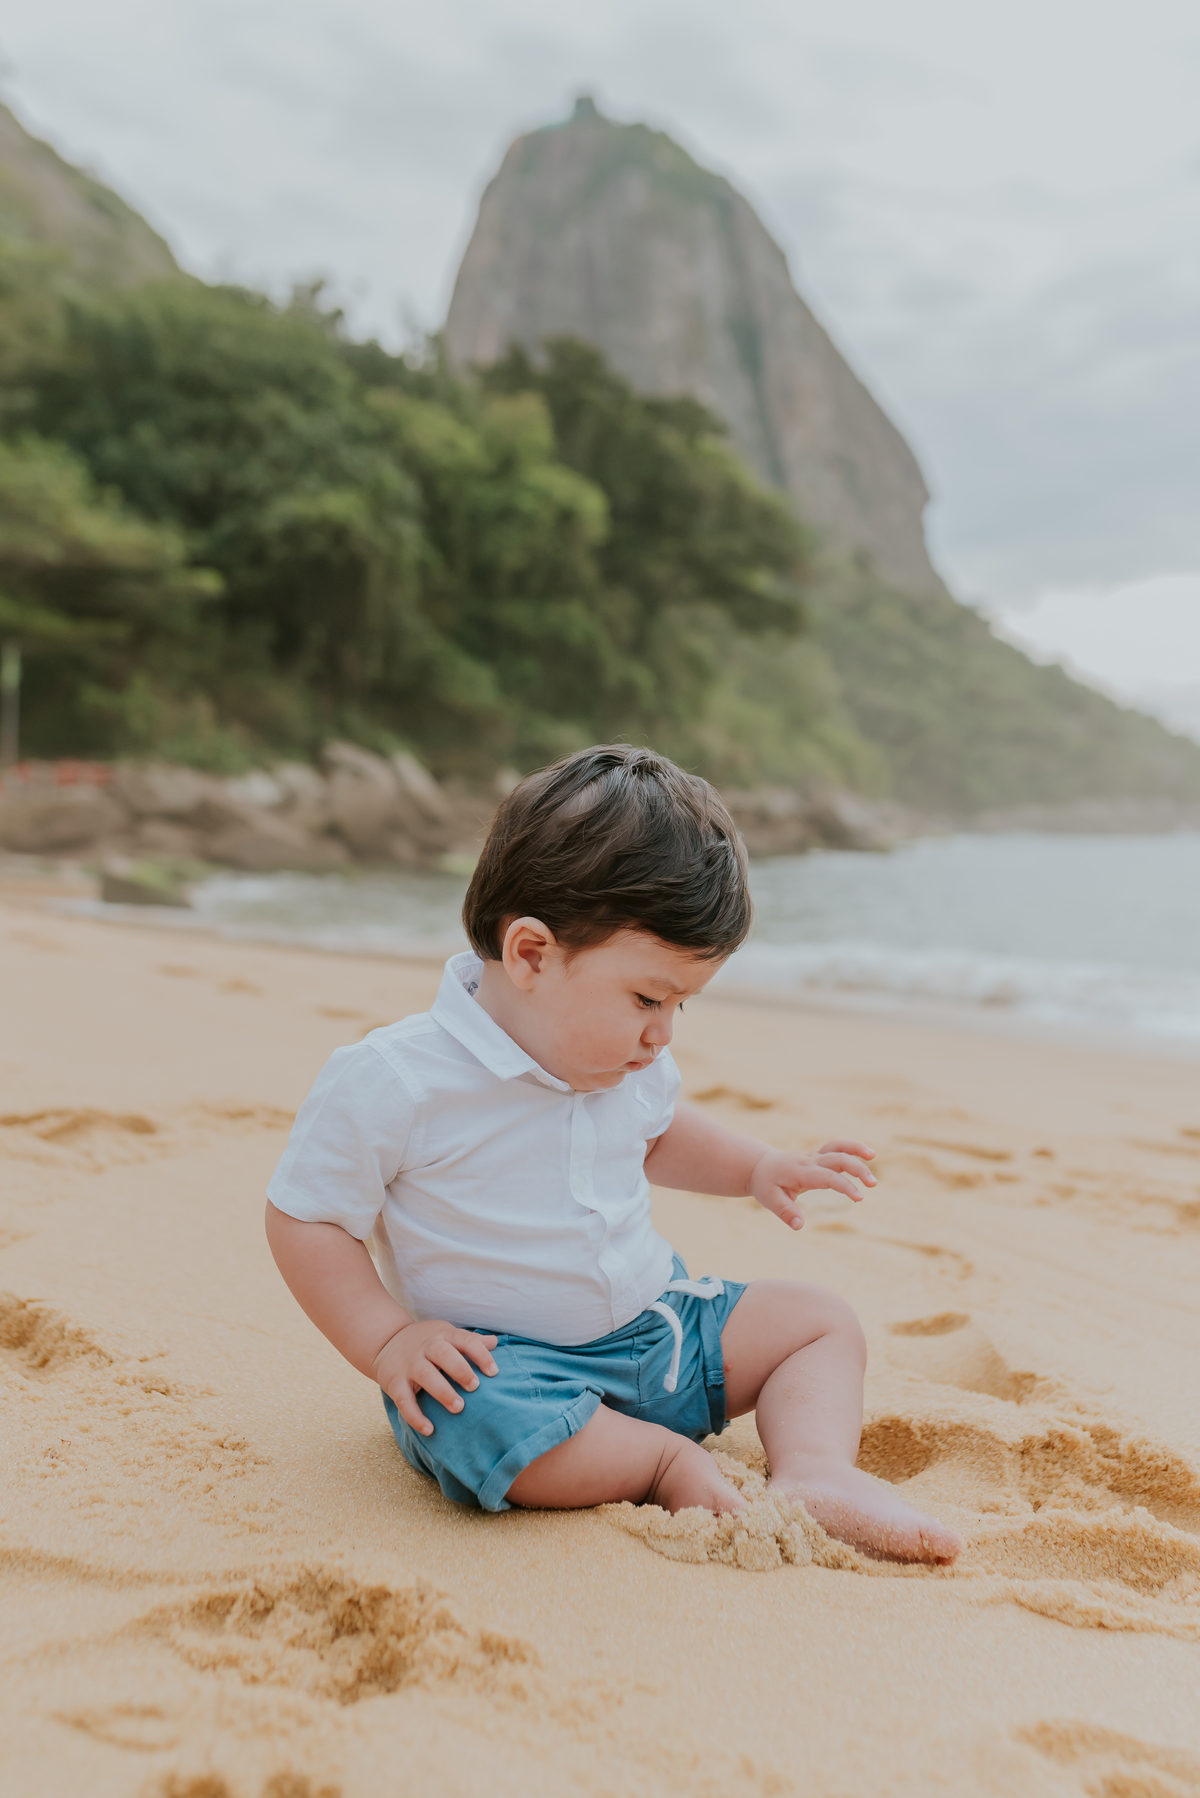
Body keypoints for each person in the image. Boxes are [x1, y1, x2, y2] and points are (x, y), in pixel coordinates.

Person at [265, 745, 962, 1563]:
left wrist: (754, 1167)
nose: (661, 1033)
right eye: (646, 997)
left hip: (657, 1332)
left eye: (679, 1006)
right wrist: (389, 1342)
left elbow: (657, 1134)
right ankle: (662, 1462)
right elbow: (307, 1219)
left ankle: (815, 1470)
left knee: (819, 1323)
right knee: (464, 1419)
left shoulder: (625, 1060)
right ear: (531, 954)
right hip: (507, 1369)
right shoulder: (398, 1079)